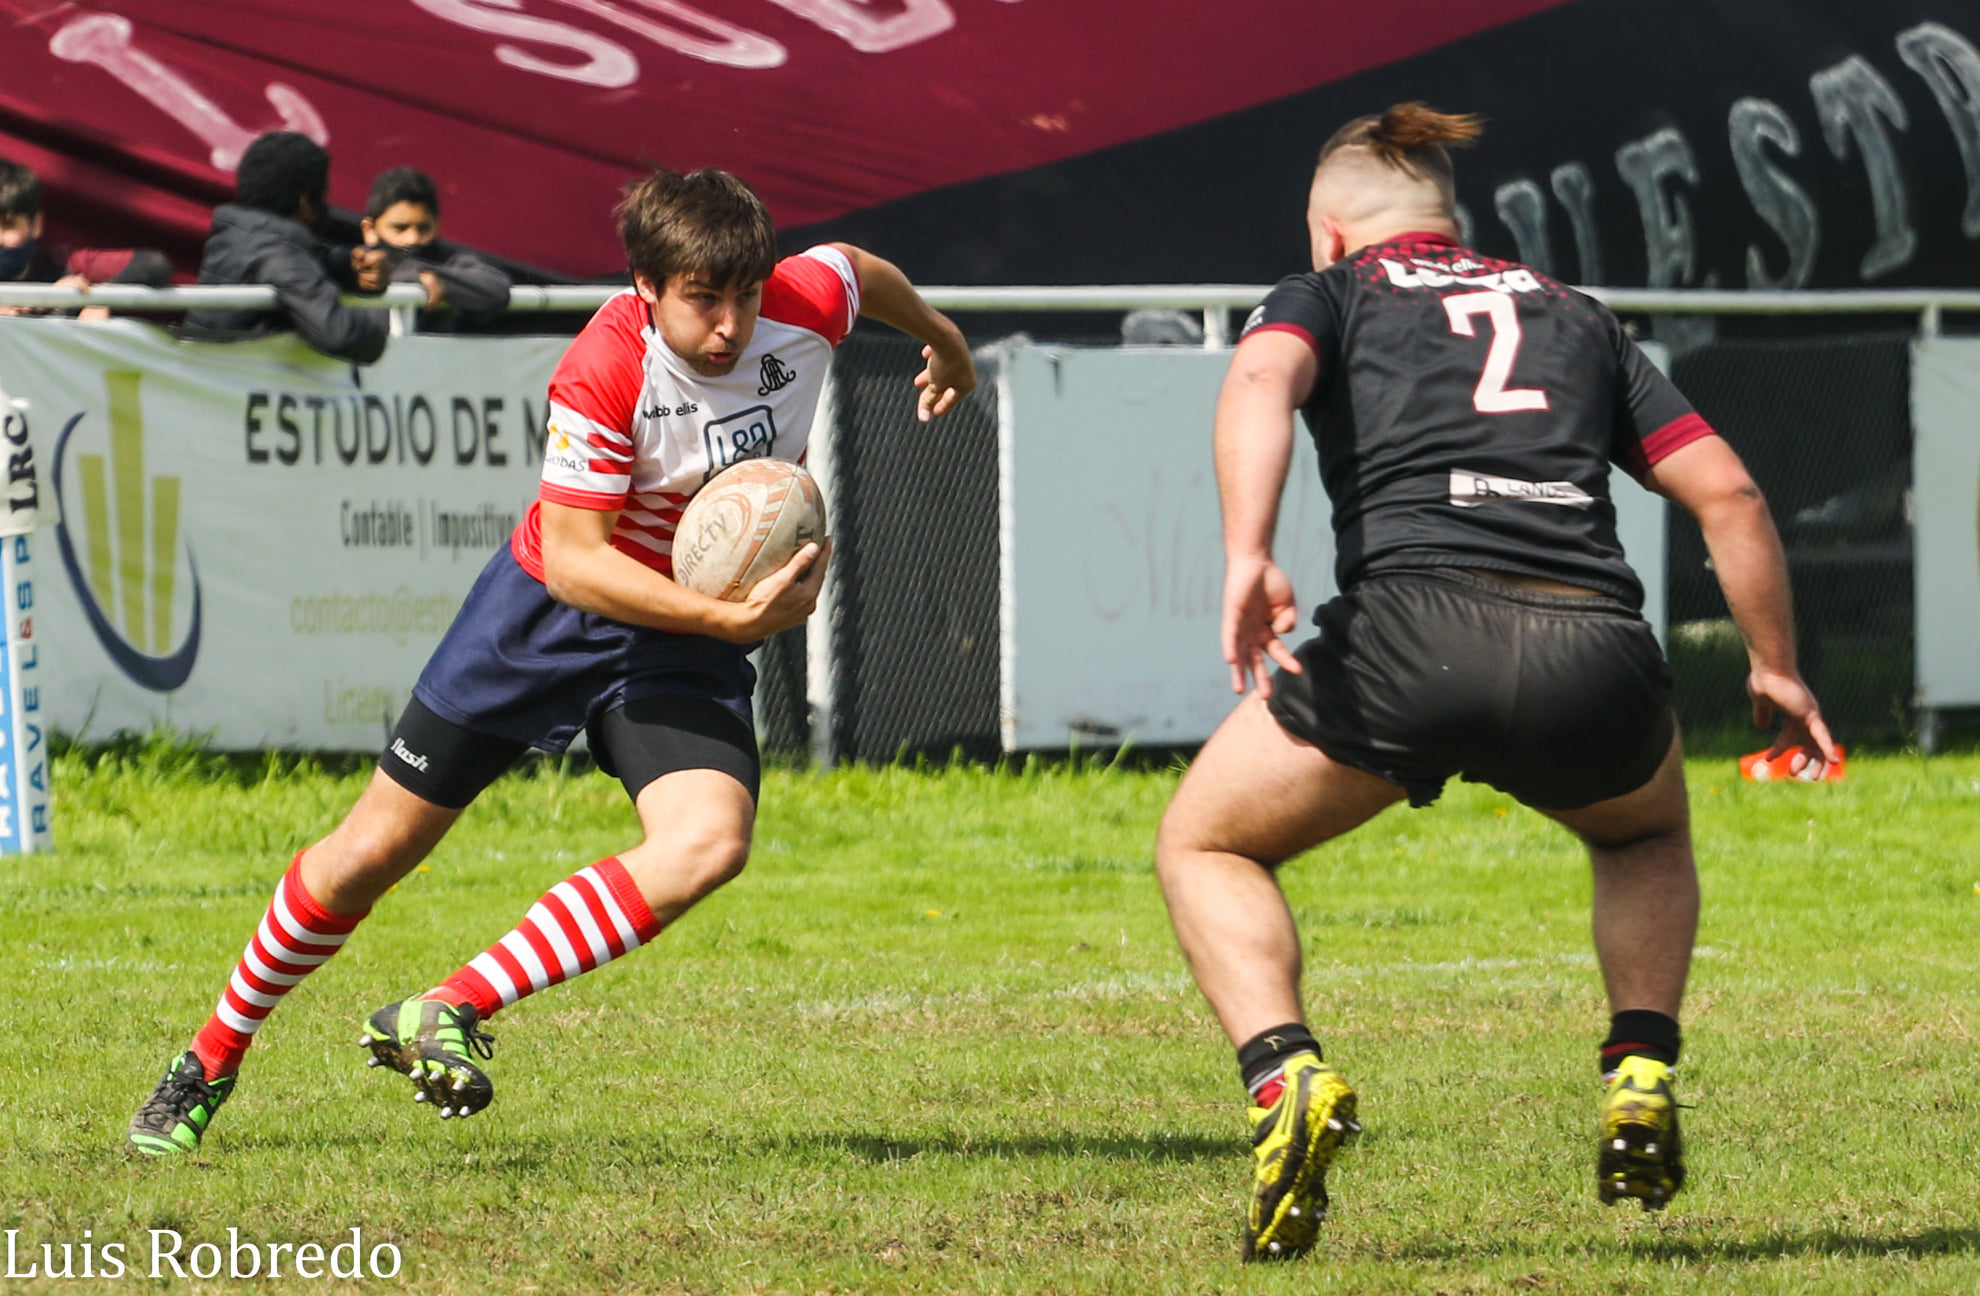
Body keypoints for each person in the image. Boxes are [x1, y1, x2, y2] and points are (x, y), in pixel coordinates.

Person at [127, 165, 975, 1156]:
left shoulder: (802, 300)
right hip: (544, 619)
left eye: (745, 295)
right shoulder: (604, 366)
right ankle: (212, 1055)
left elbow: (861, 270)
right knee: (368, 855)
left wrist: (945, 340)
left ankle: (448, 1006)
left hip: (678, 642)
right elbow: (576, 563)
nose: (730, 326)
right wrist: (724, 617)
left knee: (709, 843)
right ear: (645, 286)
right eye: (702, 299)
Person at [1152, 104, 1837, 1261]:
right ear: (1451, 220)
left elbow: (1262, 376)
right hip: (1593, 647)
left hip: (1413, 635)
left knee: (1205, 843)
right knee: (1644, 836)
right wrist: (1774, 666)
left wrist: (1247, 551)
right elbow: (1731, 494)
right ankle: (1639, 1068)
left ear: (1330, 230)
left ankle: (1285, 1078)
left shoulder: (1330, 292)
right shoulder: (1576, 314)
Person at [183, 131, 391, 364]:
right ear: (305, 202)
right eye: (323, 196)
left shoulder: (236, 236)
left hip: (209, 372)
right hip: (236, 378)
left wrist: (350, 268)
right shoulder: (279, 252)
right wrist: (385, 338)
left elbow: (305, 260)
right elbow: (341, 335)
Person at [0, 157, 171, 319]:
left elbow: (153, 264)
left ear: (36, 225)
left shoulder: (61, 262)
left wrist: (99, 300)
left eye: (8, 224)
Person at [361, 166, 511, 325]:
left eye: (423, 228)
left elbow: (497, 287)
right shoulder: (352, 267)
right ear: (369, 230)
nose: (413, 239)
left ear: (437, 226)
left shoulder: (448, 260)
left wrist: (438, 279)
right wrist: (409, 278)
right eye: (400, 228)